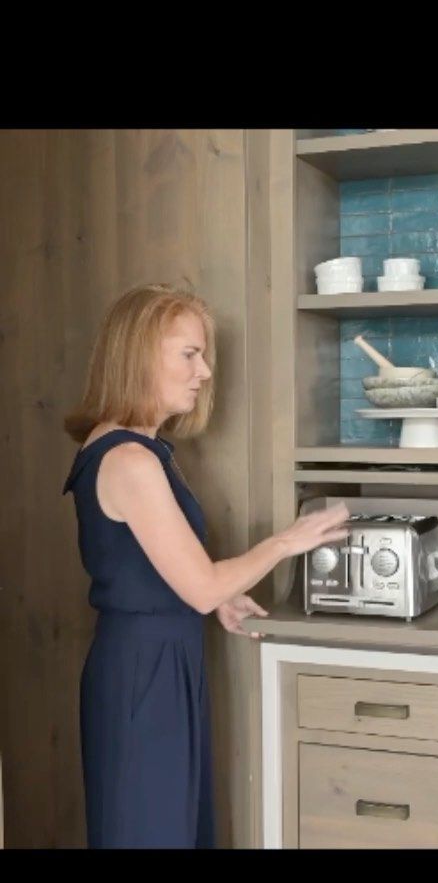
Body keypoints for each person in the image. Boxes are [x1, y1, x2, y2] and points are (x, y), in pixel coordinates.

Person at [62, 283, 350, 849]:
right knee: (149, 829)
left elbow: (156, 565)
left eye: (204, 355)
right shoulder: (129, 459)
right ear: (139, 354)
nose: (205, 372)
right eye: (189, 354)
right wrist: (287, 542)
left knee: (164, 824)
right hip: (144, 670)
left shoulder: (138, 450)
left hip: (157, 659)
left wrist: (220, 592)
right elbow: (196, 585)